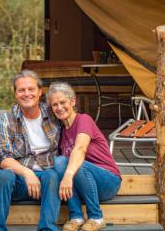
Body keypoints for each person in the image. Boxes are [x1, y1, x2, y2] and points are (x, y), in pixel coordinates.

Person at [0, 70, 62, 231]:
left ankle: (47, 229)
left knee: (52, 175)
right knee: (4, 175)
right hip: (20, 181)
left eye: (31, 89)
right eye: (21, 90)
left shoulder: (53, 114)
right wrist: (27, 173)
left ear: (40, 92)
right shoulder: (6, 119)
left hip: (48, 182)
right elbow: (3, 158)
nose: (26, 94)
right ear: (15, 94)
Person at [48, 82, 122, 231]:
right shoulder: (62, 132)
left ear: (73, 101)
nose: (59, 107)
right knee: (60, 161)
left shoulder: (84, 120)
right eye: (55, 104)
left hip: (107, 180)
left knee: (77, 163)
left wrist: (68, 176)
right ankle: (76, 217)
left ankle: (96, 217)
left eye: (63, 102)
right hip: (84, 186)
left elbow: (80, 149)